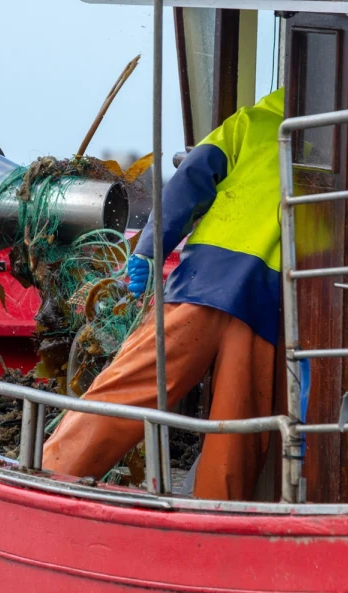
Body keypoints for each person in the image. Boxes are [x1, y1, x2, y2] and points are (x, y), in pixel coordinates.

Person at [42, 88, 285, 500]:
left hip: (204, 281)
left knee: (128, 389)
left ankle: (50, 477)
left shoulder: (253, 121)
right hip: (267, 303)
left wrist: (149, 250)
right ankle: (215, 519)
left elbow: (188, 182)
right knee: (235, 429)